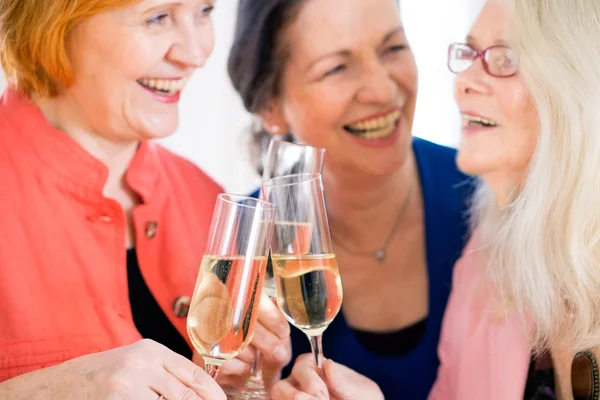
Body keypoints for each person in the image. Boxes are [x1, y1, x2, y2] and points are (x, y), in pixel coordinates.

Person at [273, 0, 600, 398]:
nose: (462, 81)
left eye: (504, 58)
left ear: (580, 81)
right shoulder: (484, 263)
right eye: (471, 54)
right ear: (270, 106)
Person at [0, 0, 288, 398]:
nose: (196, 53)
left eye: (205, 11)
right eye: (158, 17)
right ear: (53, 23)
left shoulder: (209, 200)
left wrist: (250, 388)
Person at [227, 0, 474, 398]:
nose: (382, 90)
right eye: (337, 68)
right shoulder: (244, 250)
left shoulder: (490, 200)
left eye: (392, 48)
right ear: (271, 105)